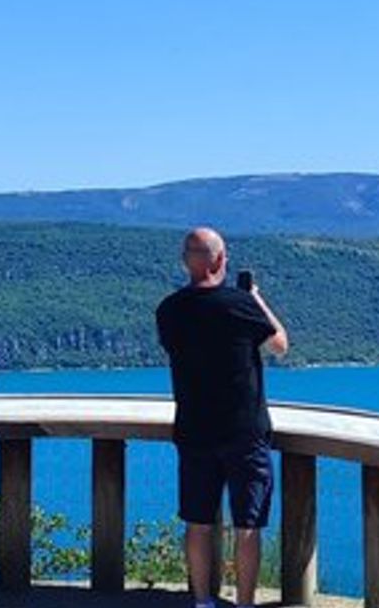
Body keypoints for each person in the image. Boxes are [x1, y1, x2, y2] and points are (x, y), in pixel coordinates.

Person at [156, 226, 291, 608]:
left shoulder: (169, 310)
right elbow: (280, 345)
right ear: (220, 260)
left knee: (197, 521)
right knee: (247, 524)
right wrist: (257, 299)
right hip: (243, 430)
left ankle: (202, 601)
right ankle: (244, 603)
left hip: (194, 429)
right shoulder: (240, 305)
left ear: (187, 261)